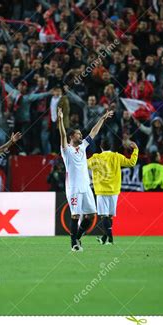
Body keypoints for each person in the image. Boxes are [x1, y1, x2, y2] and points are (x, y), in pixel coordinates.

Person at [58, 107, 114, 252]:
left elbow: (93, 132)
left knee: (90, 215)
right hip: (74, 188)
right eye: (78, 134)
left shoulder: (83, 146)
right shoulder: (66, 150)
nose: (81, 136)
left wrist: (102, 118)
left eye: (81, 134)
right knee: (75, 215)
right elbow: (62, 135)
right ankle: (74, 244)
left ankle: (77, 236)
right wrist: (60, 120)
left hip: (86, 187)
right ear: (72, 137)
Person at [87, 138, 138, 245]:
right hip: (114, 191)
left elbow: (83, 165)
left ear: (101, 147)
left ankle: (110, 237)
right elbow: (132, 163)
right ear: (111, 146)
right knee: (109, 216)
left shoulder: (96, 158)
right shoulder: (117, 156)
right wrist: (136, 150)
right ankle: (105, 239)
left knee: (104, 216)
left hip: (101, 191)